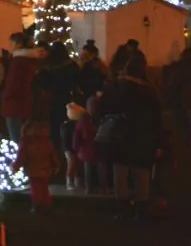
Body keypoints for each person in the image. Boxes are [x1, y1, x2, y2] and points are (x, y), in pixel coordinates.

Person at [97, 51, 163, 220]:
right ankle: (141, 207)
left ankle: (122, 207)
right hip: (144, 135)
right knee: (141, 171)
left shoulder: (117, 87)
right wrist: (158, 142)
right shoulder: (150, 91)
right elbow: (157, 119)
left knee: (120, 170)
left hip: (121, 133)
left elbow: (103, 108)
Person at [35, 42, 81, 153]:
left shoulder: (50, 67)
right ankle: (68, 147)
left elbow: (44, 82)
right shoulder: (72, 65)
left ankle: (56, 147)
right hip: (69, 97)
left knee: (55, 124)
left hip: (54, 99)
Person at [0, 34, 43, 143]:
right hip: (24, 102)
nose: (10, 45)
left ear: (18, 44)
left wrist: (4, 96)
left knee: (15, 138)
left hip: (14, 104)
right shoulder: (28, 60)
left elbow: (13, 84)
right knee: (22, 135)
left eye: (11, 42)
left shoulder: (18, 61)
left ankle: (19, 158)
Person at [13, 120, 60, 214]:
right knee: (44, 187)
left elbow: (21, 156)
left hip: (33, 169)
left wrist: (16, 166)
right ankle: (46, 204)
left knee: (36, 188)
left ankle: (38, 206)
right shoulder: (47, 141)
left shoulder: (26, 142)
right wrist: (56, 165)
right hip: (46, 168)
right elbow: (53, 155)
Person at [73, 96, 107, 195]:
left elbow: (77, 135)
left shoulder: (84, 119)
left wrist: (76, 148)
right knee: (95, 170)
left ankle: (92, 188)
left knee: (94, 170)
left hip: (92, 149)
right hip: (93, 149)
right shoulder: (100, 118)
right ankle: (98, 188)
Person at [61, 103, 83, 191]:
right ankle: (69, 182)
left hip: (72, 147)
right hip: (69, 148)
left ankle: (75, 181)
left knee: (75, 163)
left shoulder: (70, 125)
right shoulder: (67, 126)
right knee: (71, 163)